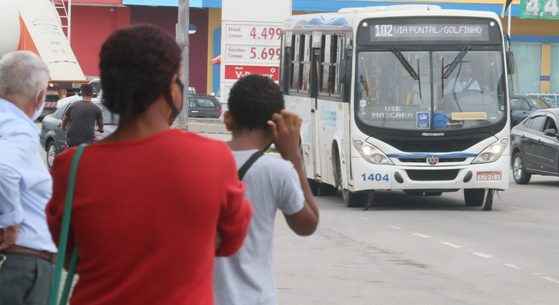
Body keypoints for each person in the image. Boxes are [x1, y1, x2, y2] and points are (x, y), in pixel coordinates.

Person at [46, 25, 252, 305]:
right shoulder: (213, 158)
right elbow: (231, 241)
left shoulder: (72, 166)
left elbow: (69, 255)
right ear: (170, 87)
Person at [214, 75, 320, 305]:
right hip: (255, 298)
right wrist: (294, 156)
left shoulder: (203, 159)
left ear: (228, 119)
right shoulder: (277, 171)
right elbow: (308, 224)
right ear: (276, 127)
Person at [0, 51, 55, 305]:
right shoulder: (18, 126)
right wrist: (9, 221)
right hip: (20, 263)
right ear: (39, 96)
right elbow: (3, 168)